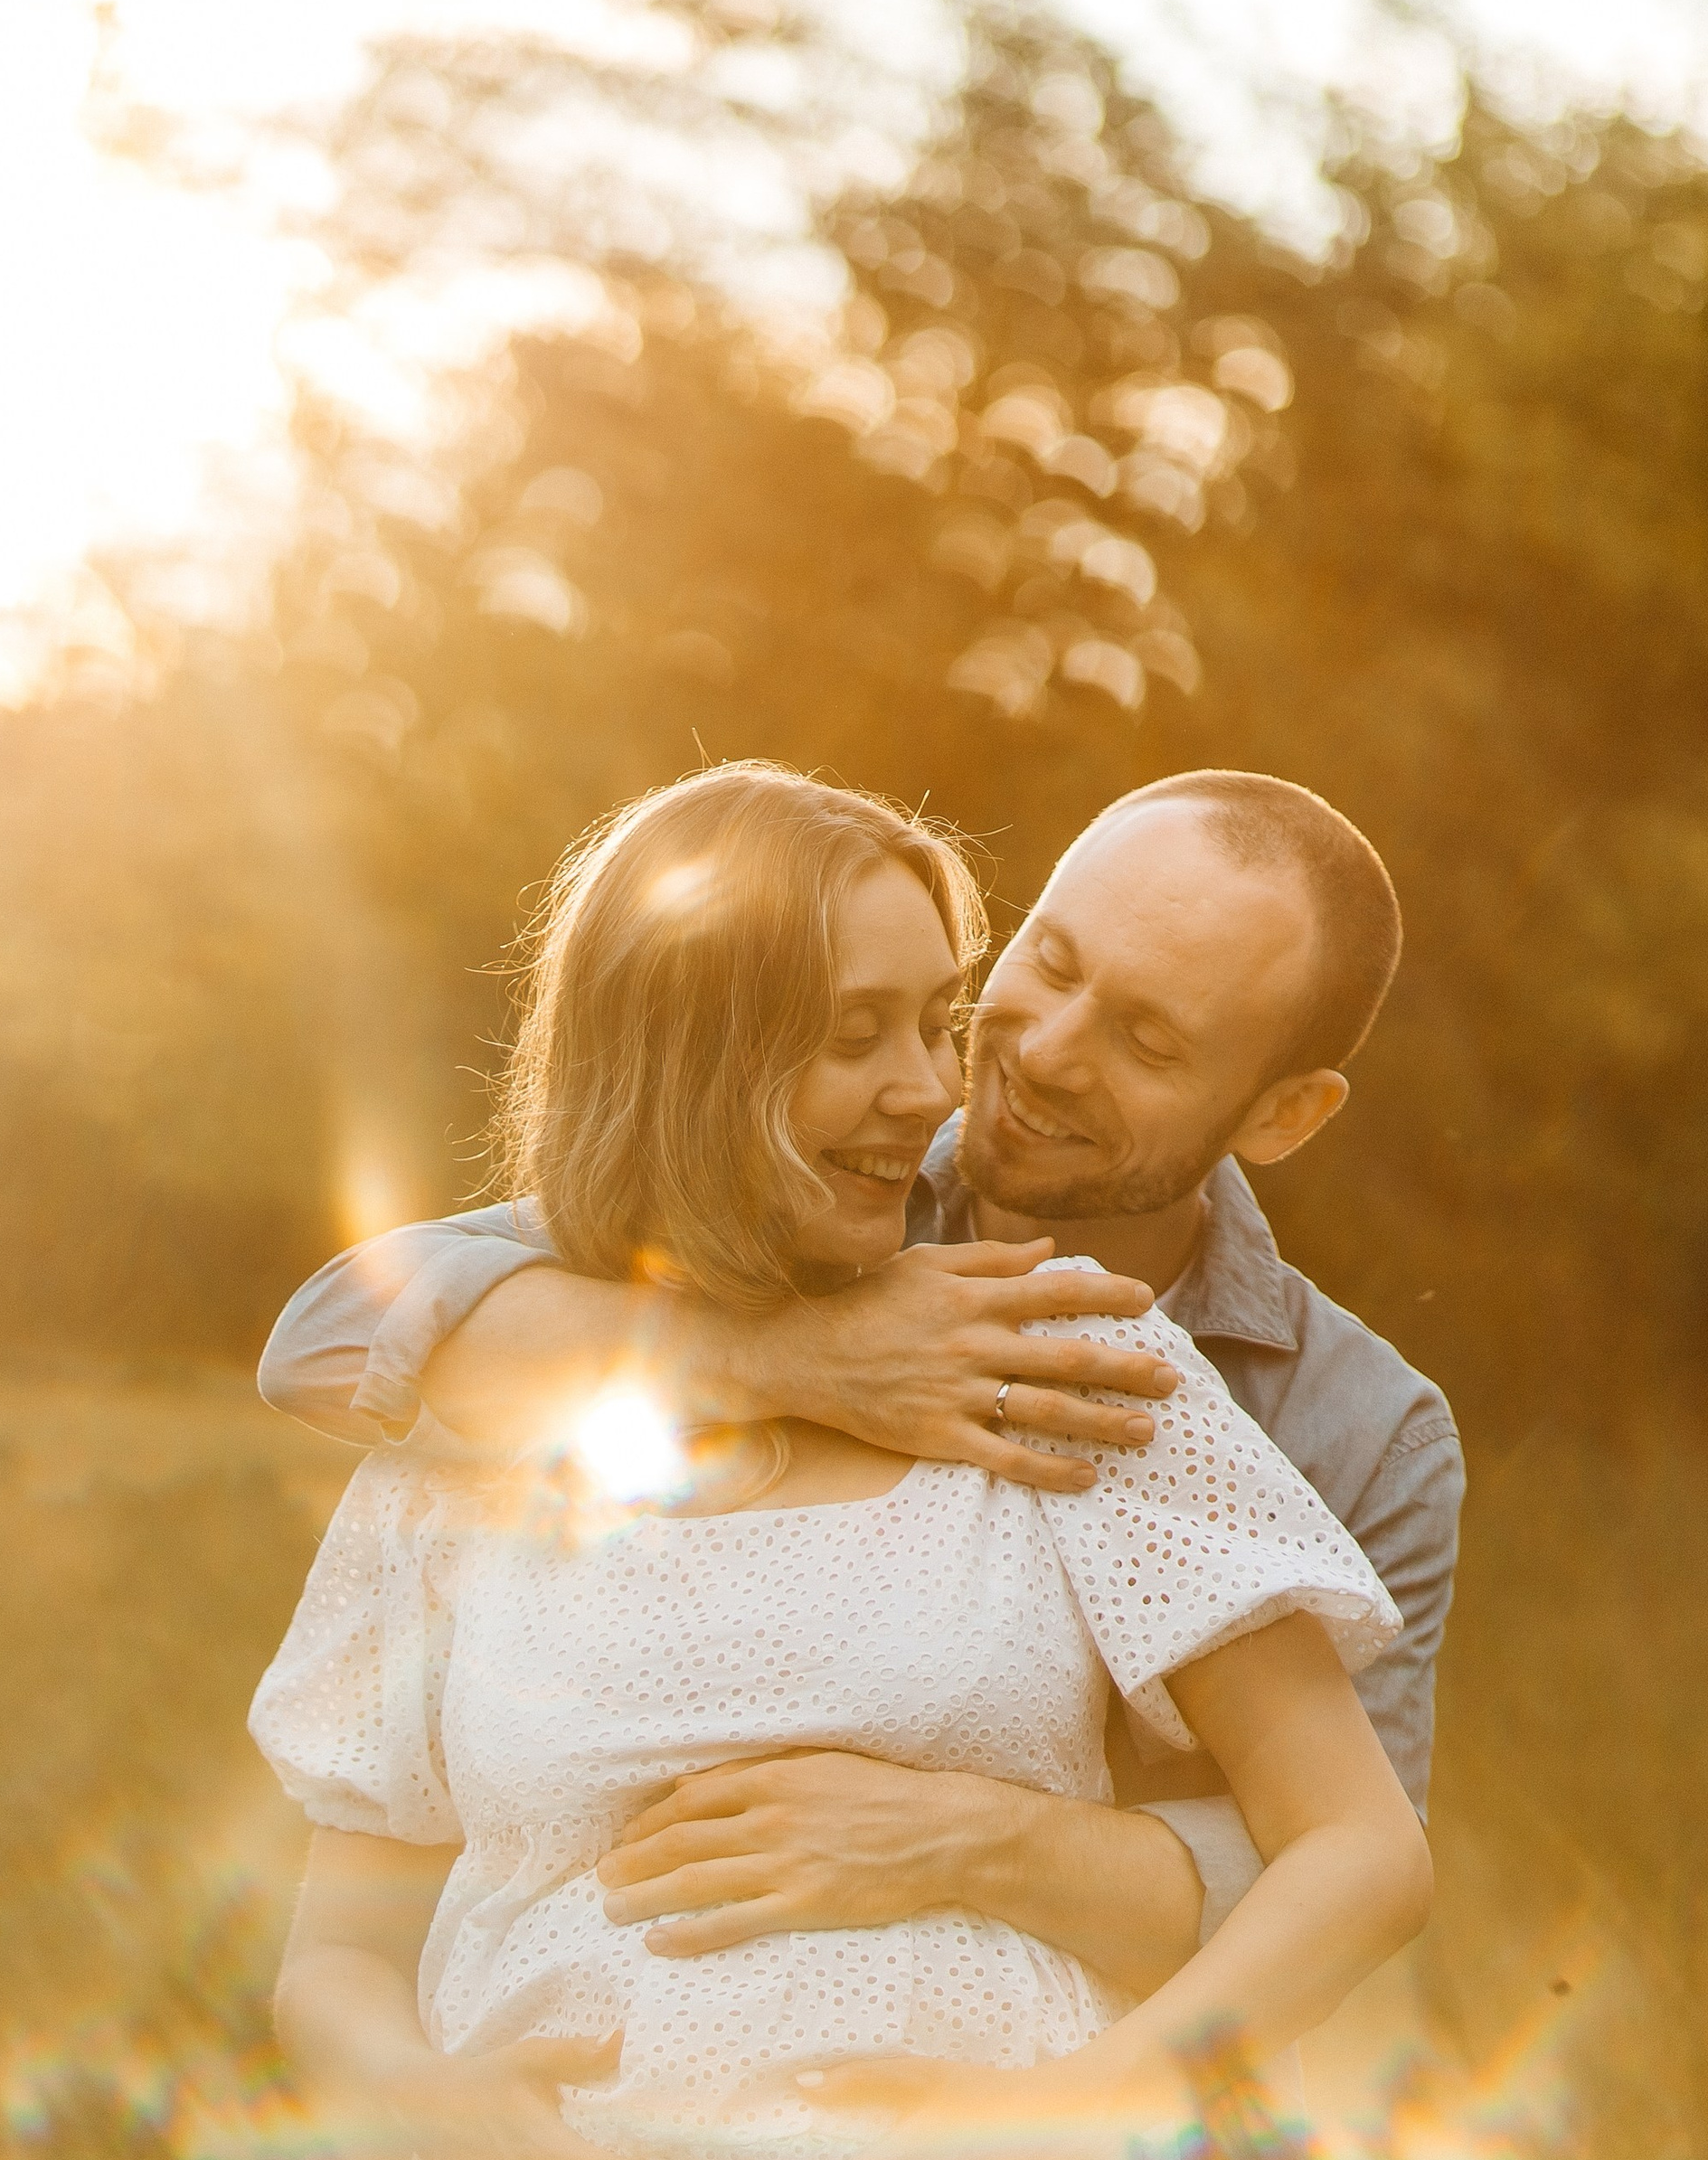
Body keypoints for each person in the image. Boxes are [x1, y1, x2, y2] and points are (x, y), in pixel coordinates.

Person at [251, 763, 1430, 2160]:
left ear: (1270, 1109)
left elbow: (1356, 1845)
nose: (955, 1083)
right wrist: (450, 2115)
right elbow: (329, 1946)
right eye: (877, 1028)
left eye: (935, 1016)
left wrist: (1055, 2113)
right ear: (689, 1052)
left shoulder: (1069, 1362)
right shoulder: (478, 1431)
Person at [260, 767, 1462, 2037]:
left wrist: (970, 1839)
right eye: (1049, 964)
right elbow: (339, 1335)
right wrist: (793, 1352)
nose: (1040, 1054)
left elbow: (1329, 1881)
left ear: (1283, 1114)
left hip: (1112, 2119)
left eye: (1149, 1041)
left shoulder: (1361, 1431)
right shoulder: (810, 1194)